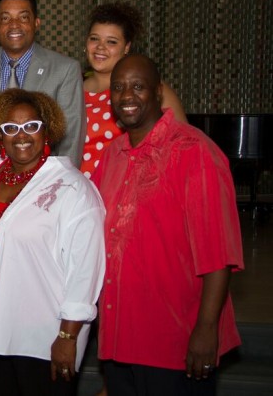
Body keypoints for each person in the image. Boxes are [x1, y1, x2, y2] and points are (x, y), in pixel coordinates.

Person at [92, 55, 244, 395]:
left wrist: (206, 330)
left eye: (138, 87)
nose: (126, 96)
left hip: (173, 340)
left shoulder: (194, 152)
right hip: (119, 335)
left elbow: (218, 255)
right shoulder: (113, 153)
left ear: (158, 93)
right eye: (118, 88)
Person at [0, 89, 105, 396]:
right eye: (10, 128)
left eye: (31, 126)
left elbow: (85, 269)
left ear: (47, 129)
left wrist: (68, 335)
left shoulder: (73, 189)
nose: (21, 135)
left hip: (41, 331)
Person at [0, 0, 85, 167]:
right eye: (6, 18)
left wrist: (62, 184)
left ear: (36, 23)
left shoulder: (65, 69)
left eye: (23, 17)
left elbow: (71, 136)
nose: (14, 25)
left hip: (43, 179)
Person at [81, 2, 187, 178]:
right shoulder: (72, 86)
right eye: (94, 38)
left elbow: (182, 142)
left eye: (111, 42)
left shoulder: (148, 87)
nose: (100, 47)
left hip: (125, 188)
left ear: (127, 47)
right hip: (79, 195)